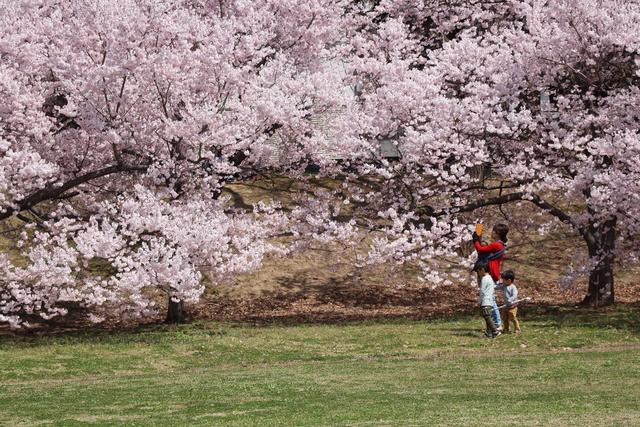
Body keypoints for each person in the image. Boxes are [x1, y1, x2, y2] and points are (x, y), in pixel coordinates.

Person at [472, 223, 509, 330]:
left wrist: (476, 240)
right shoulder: (499, 244)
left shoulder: (497, 244)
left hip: (491, 273)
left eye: (494, 231)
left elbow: (480, 249)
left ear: (498, 233)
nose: (492, 232)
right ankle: (495, 323)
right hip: (493, 272)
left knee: (490, 299)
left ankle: (497, 324)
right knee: (490, 298)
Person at [475, 259, 500, 339]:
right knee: (487, 315)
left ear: (482, 270)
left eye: (478, 271)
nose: (478, 274)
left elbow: (482, 291)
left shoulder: (484, 279)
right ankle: (488, 333)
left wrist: (479, 301)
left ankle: (495, 331)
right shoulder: (490, 278)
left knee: (487, 316)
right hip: (489, 299)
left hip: (485, 300)